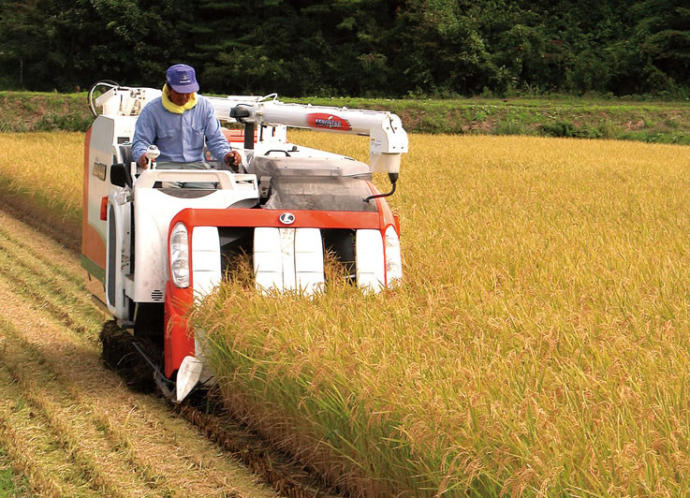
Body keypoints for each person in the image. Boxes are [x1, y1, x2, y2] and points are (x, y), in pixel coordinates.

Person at [131, 64, 241, 174]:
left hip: (197, 166)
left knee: (209, 189)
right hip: (163, 167)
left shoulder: (205, 106)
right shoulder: (151, 110)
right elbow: (141, 141)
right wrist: (142, 155)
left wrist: (226, 154)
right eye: (179, 93)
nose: (184, 97)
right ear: (169, 88)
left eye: (188, 92)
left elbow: (215, 139)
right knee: (165, 189)